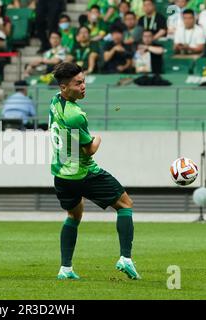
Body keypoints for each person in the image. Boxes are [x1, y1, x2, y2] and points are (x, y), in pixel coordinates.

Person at [49, 62, 140, 280]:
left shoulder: (55, 101)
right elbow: (89, 150)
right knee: (125, 204)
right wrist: (98, 138)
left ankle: (65, 269)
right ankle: (125, 258)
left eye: (83, 81)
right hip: (83, 173)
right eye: (78, 83)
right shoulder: (75, 115)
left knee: (73, 214)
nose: (83, 86)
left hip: (61, 175)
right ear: (64, 87)